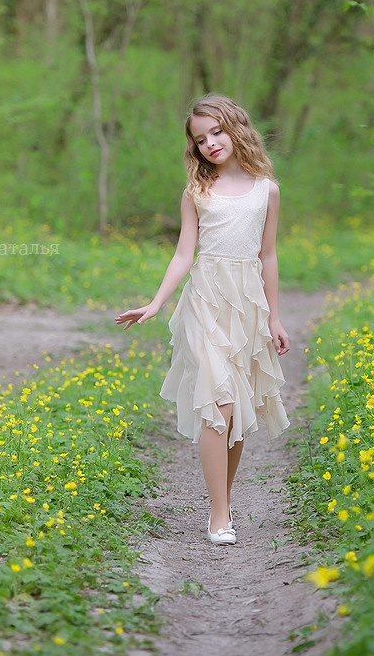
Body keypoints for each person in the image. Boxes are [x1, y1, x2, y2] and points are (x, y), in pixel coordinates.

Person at [115, 94, 291, 546]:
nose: (210, 143)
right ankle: (218, 516)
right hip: (205, 300)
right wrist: (155, 303)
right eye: (200, 139)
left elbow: (267, 255)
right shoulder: (197, 192)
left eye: (217, 131)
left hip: (247, 305)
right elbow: (182, 254)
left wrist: (274, 318)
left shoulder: (266, 189)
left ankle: (224, 502)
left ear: (236, 128)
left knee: (237, 413)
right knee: (220, 403)